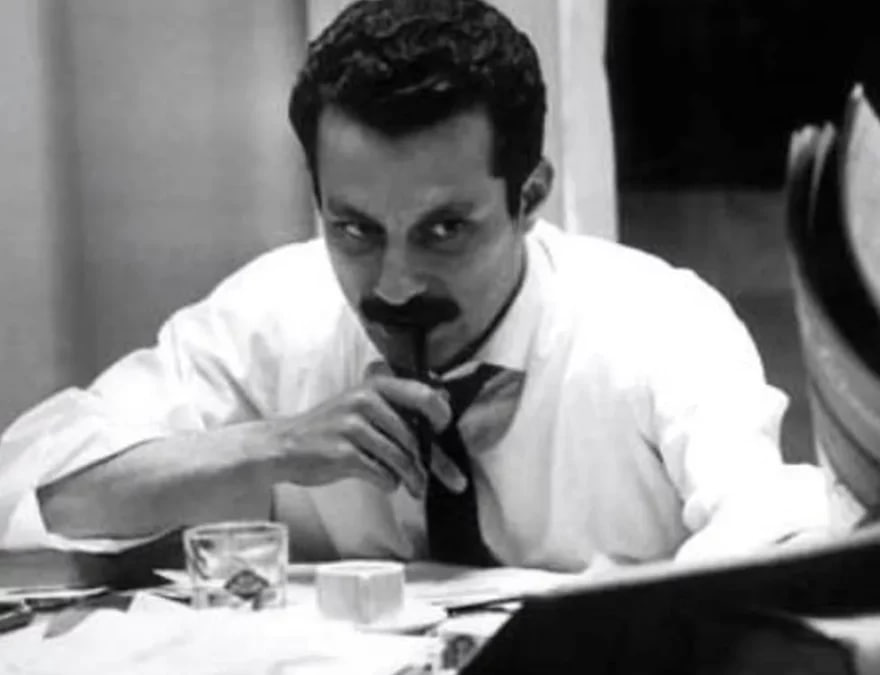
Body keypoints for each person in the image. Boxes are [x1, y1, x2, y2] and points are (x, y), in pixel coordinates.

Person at [0, 0, 825, 571]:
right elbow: (26, 491)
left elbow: (772, 529)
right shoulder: (275, 315)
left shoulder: (657, 322)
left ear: (530, 196)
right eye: (355, 229)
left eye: (444, 230)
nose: (394, 286)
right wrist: (270, 446)